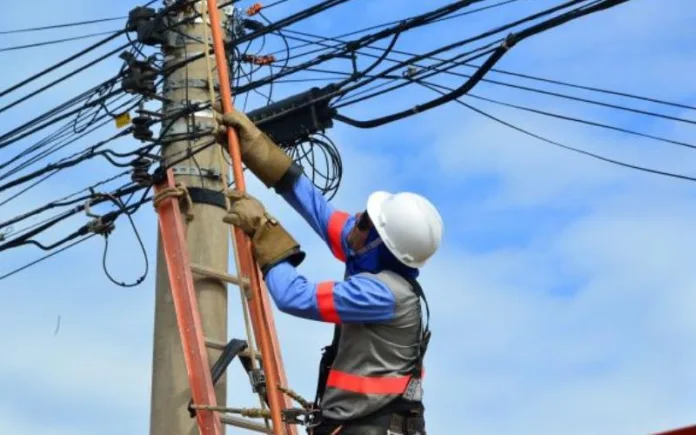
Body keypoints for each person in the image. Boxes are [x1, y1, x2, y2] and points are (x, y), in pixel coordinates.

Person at [214, 105, 444, 435]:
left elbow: (294, 296)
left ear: (381, 244)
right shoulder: (370, 252)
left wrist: (265, 230)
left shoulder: (382, 294)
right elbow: (318, 210)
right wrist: (257, 150)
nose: (354, 220)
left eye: (365, 221)